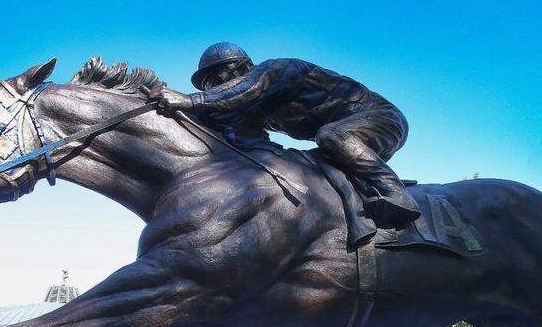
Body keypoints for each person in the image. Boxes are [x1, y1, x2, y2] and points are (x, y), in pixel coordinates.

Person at [156, 44, 418, 237]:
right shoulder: (257, 110)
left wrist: (192, 100)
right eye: (208, 85)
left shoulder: (276, 69)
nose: (214, 88)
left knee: (332, 135)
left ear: (241, 67)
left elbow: (246, 89)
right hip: (343, 144)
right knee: (311, 163)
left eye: (217, 79)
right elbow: (245, 139)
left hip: (379, 119)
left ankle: (396, 194)